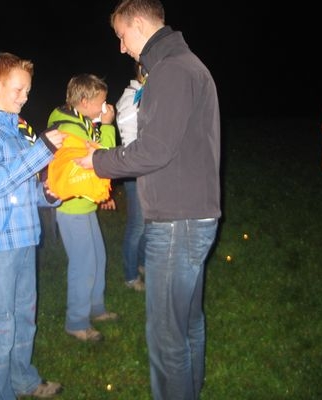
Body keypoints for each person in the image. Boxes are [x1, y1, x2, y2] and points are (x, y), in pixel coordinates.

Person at [77, 1, 221, 398]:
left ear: (139, 24)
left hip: (177, 222)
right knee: (187, 323)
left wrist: (97, 161)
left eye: (122, 36)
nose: (121, 47)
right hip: (192, 214)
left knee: (166, 337)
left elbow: (154, 150)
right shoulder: (185, 65)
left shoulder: (171, 70)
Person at [0, 52, 65, 399]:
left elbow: (21, 184)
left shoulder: (17, 130)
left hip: (25, 238)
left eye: (27, 91)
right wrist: (43, 150)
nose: (24, 97)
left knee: (25, 316)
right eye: (18, 90)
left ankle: (23, 379)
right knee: (0, 325)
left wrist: (48, 194)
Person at [46, 73, 119, 342]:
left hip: (83, 203)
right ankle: (76, 322)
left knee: (97, 256)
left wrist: (102, 195)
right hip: (71, 207)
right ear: (85, 101)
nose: (105, 106)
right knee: (83, 263)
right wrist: (107, 125)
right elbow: (105, 158)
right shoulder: (70, 129)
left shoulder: (79, 121)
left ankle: (96, 308)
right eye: (101, 102)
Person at [116, 61, 147, 291]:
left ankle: (142, 264)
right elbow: (131, 141)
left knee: (146, 223)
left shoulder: (143, 94)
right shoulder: (132, 98)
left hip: (145, 170)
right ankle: (130, 276)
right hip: (136, 171)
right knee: (136, 226)